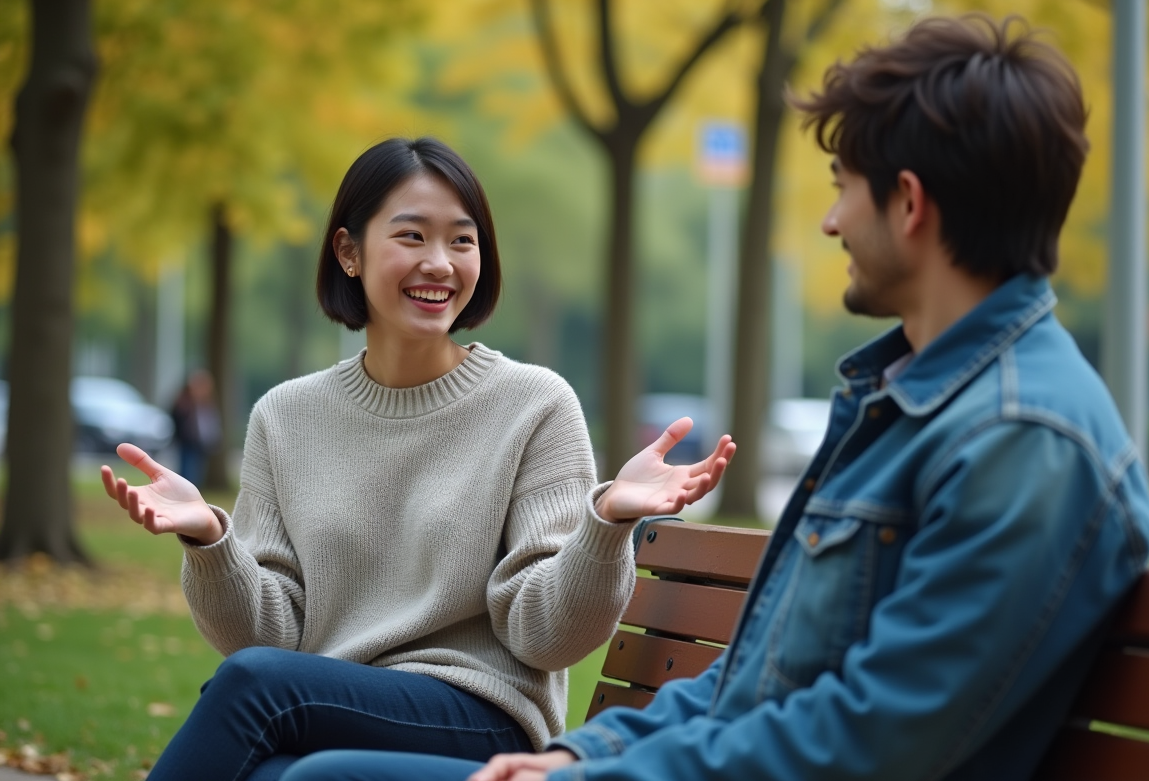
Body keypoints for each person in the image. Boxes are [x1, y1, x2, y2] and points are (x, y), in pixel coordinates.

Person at [278, 14, 1149, 781]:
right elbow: (755, 684)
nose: (830, 222)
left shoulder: (1019, 439)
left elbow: (874, 737)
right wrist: (586, 754)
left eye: (844, 189)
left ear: (911, 204)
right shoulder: (911, 406)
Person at [99, 136, 736, 781]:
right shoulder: (284, 417)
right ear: (348, 251)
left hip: (480, 716)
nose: (440, 263)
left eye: (462, 241)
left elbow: (549, 638)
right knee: (278, 770)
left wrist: (605, 523)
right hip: (321, 704)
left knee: (252, 687)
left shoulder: (534, 406)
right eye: (412, 236)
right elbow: (269, 632)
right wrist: (210, 538)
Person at [170, 368, 222, 486]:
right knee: (186, 470)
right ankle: (183, 490)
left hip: (200, 444)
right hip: (187, 442)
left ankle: (192, 489)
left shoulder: (207, 403)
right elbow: (177, 421)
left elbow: (211, 424)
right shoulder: (184, 403)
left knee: (197, 471)